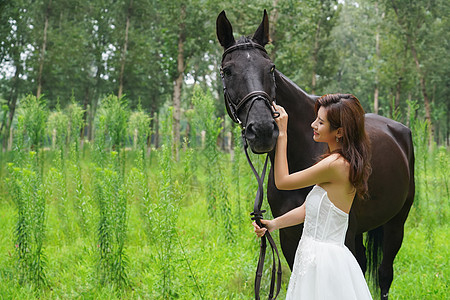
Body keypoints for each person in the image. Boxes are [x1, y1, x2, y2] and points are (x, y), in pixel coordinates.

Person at [252, 94, 373, 299]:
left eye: (320, 122)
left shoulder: (335, 165)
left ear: (339, 132)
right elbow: (310, 208)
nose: (313, 124)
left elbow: (282, 181)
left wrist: (282, 133)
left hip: (324, 263)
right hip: (313, 257)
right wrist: (273, 224)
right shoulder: (338, 162)